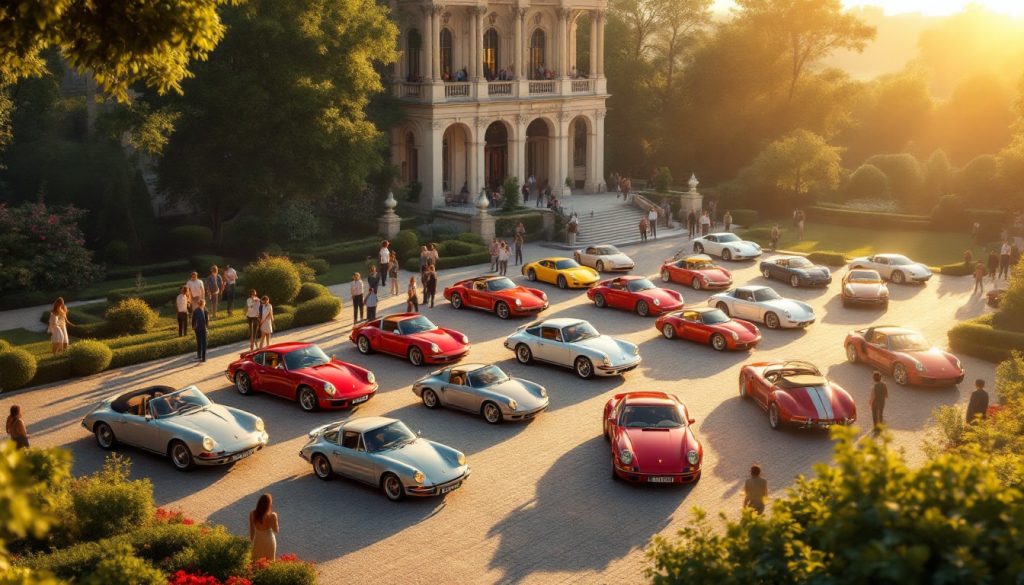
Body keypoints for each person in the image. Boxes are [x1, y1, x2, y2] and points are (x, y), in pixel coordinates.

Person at [249, 494, 279, 562]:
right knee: (269, 561)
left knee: (256, 561)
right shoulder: (272, 515)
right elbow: (276, 530)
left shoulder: (252, 514)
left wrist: (252, 542)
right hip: (269, 540)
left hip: (258, 539)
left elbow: (252, 530)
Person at [192, 298, 209, 363]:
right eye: (203, 304)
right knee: (199, 342)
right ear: (201, 304)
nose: (204, 305)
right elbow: (193, 320)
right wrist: (194, 327)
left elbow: (207, 320)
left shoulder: (205, 310)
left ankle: (203, 357)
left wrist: (207, 327)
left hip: (203, 329)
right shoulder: (196, 311)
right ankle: (199, 356)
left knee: (203, 343)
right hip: (198, 329)